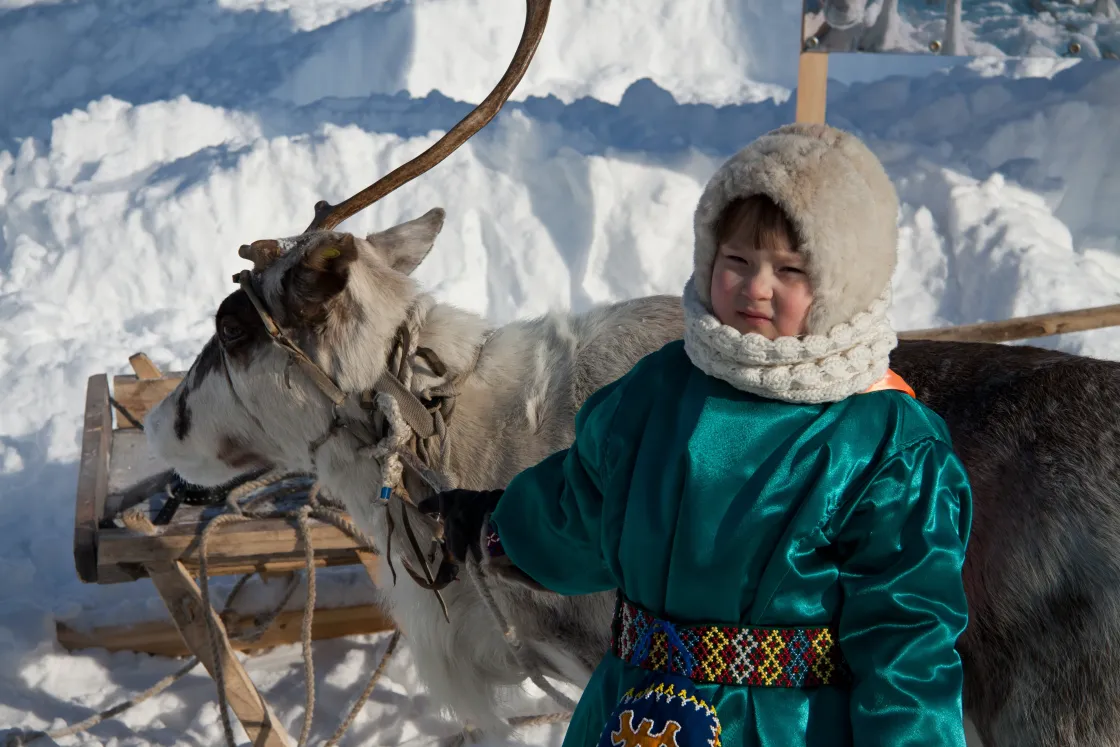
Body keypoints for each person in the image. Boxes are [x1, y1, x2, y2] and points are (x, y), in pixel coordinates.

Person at [420, 123, 972, 747]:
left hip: (785, 727)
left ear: (843, 283)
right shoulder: (658, 391)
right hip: (633, 714)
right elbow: (583, 508)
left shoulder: (882, 443)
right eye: (737, 260)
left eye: (789, 270)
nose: (756, 286)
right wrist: (499, 526)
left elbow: (908, 640)